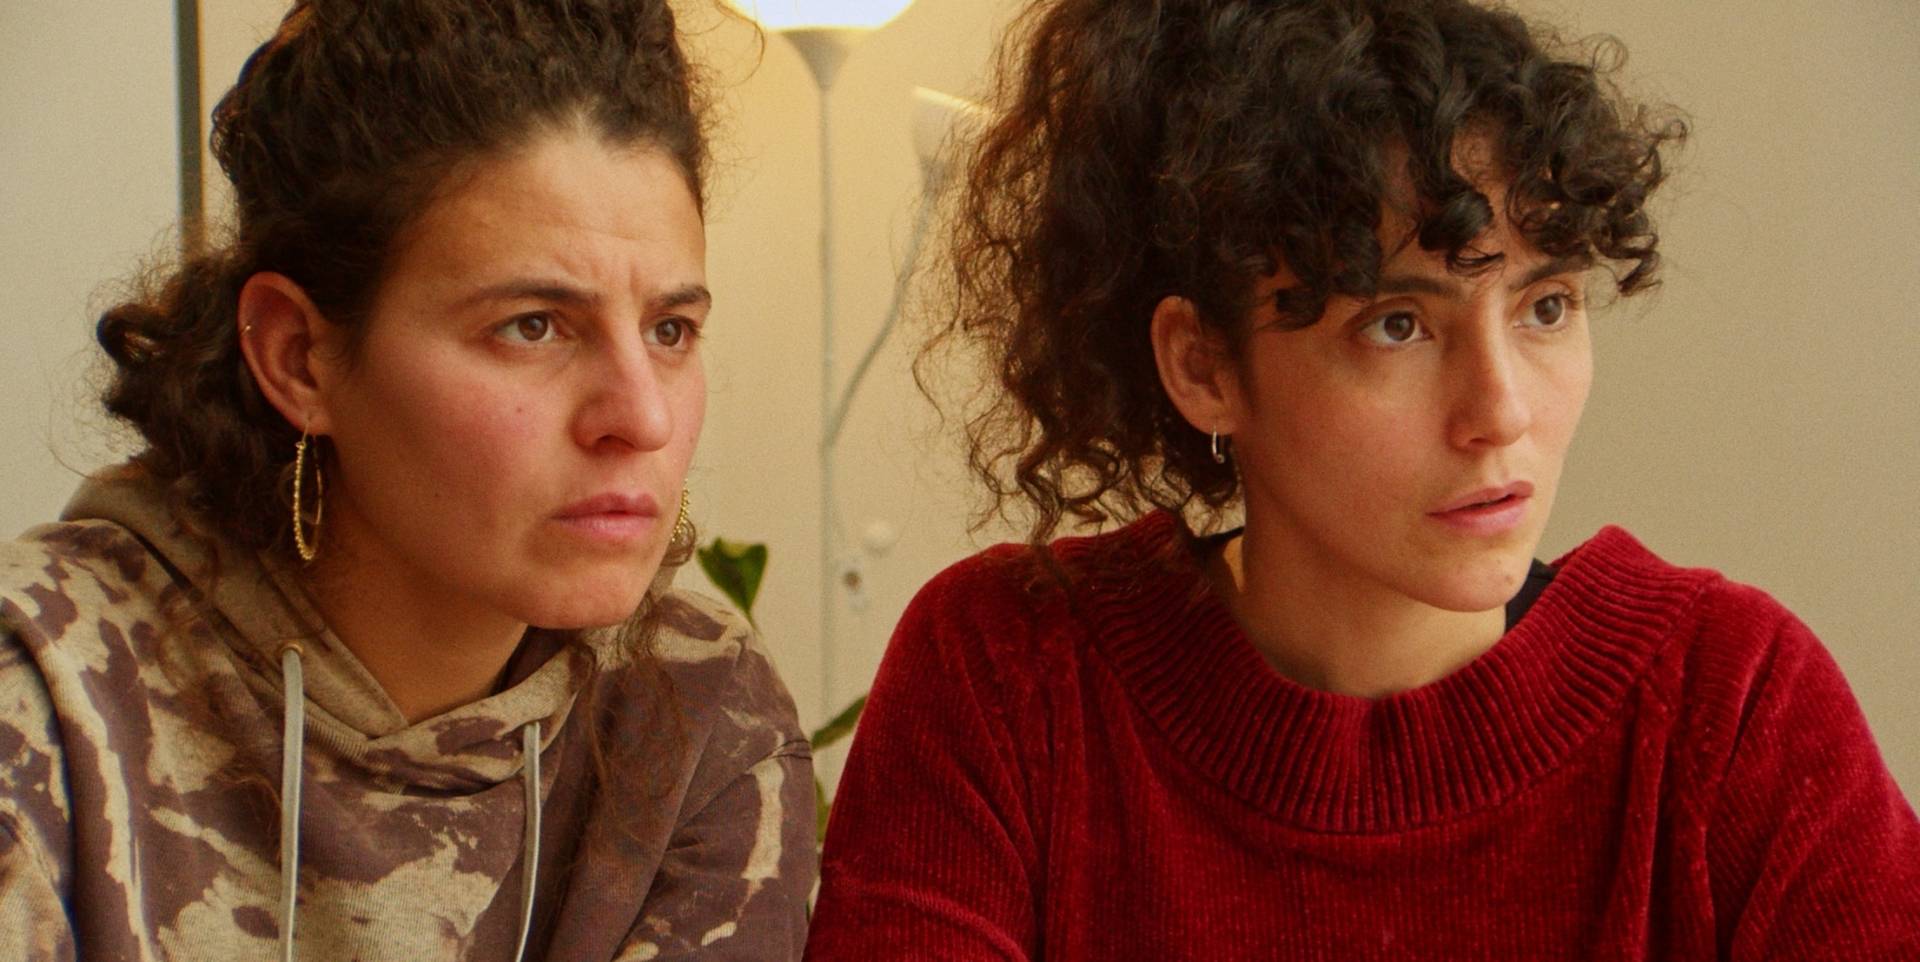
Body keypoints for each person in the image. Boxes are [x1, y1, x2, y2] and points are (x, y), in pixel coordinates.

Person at [805, 0, 1920, 957]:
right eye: (1398, 324)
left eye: (1545, 306)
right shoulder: (1009, 678)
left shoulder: (1733, 707)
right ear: (1203, 366)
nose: (1502, 413)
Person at [0, 1, 815, 959]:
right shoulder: (48, 694)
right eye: (533, 326)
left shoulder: (699, 712)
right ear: (301, 359)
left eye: (670, 331)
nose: (644, 419)